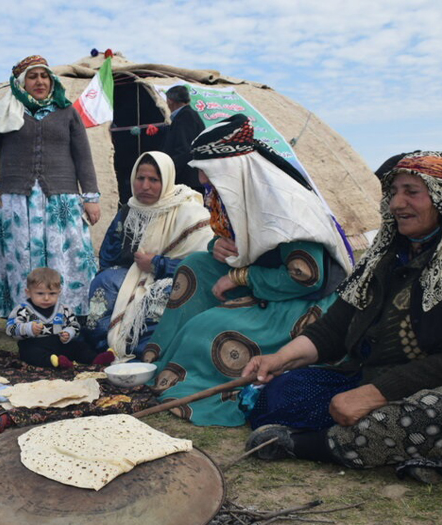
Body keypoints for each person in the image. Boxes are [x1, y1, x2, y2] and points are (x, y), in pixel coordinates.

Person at [240, 152, 442, 489]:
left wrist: (375, 394)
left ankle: (308, 444)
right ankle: (412, 450)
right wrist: (279, 359)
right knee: (283, 392)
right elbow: (335, 328)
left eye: (411, 191)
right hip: (375, 377)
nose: (397, 203)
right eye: (393, 192)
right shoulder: (389, 255)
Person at [147, 114, 354, 427]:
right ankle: (160, 362)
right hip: (270, 282)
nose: (202, 179)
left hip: (303, 302)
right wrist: (215, 246)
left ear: (233, 169)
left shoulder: (283, 205)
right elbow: (241, 240)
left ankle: (191, 374)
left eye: (207, 171)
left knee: (205, 328)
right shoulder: (239, 192)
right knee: (195, 267)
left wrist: (239, 277)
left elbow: (308, 276)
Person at [0, 54, 100, 318]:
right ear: (21, 82)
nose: (39, 81)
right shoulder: (5, 112)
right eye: (32, 76)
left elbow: (83, 156)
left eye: (44, 76)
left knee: (68, 257)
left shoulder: (67, 112)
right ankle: (24, 316)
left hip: (61, 202)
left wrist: (90, 196)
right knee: (22, 259)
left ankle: (70, 314)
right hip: (19, 202)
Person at [85, 151, 212, 359]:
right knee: (104, 281)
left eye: (154, 180)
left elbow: (203, 265)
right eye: (140, 178)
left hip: (172, 277)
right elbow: (109, 255)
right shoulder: (129, 211)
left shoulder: (189, 212)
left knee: (161, 294)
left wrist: (157, 264)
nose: (145, 186)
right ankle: (106, 345)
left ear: (168, 180)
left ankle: (148, 350)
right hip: (131, 278)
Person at [6, 268, 115, 369]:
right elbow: (10, 329)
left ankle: (95, 358)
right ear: (28, 292)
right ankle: (54, 362)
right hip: (35, 343)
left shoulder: (64, 309)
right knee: (29, 352)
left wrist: (69, 333)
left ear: (59, 292)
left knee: (79, 346)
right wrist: (28, 328)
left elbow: (74, 325)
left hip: (59, 343)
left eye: (52, 293)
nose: (46, 298)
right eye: (40, 293)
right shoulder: (23, 309)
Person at [158, 85, 206, 193]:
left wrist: (169, 173)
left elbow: (184, 149)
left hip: (187, 181)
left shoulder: (186, 117)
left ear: (170, 101)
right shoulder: (187, 115)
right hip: (189, 180)